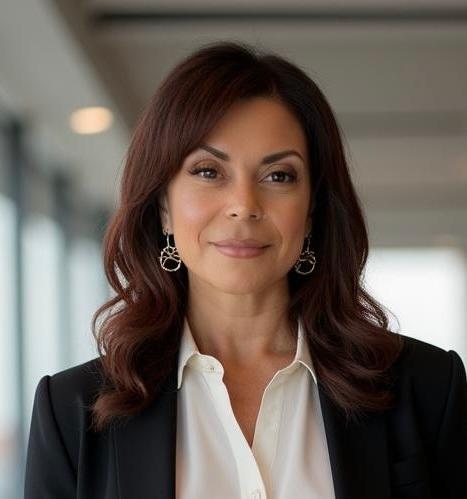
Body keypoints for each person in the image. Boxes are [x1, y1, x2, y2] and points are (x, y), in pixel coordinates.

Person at [24, 40, 467, 499]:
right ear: (163, 206)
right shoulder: (72, 411)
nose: (243, 205)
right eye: (208, 171)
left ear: (312, 210)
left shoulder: (428, 388)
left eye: (279, 176)